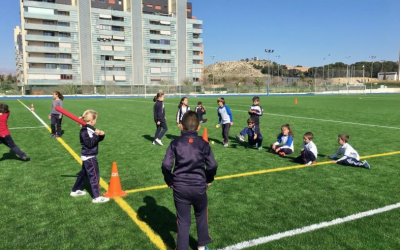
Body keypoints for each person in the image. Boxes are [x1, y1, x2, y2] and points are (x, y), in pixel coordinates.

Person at [162, 111, 217, 250]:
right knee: (201, 215)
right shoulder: (204, 144)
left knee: (183, 221)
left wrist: (169, 180)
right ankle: (201, 246)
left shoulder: (175, 143)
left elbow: (166, 165)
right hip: (199, 186)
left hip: (180, 187)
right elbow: (212, 165)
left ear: (181, 126)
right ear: (199, 127)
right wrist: (209, 179)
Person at [70, 110, 110, 203]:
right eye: (96, 119)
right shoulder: (85, 131)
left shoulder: (90, 128)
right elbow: (90, 144)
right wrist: (96, 135)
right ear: (92, 120)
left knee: (83, 174)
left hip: (87, 156)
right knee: (95, 176)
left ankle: (75, 190)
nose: (96, 121)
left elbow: (95, 140)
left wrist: (101, 135)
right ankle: (96, 197)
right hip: (89, 157)